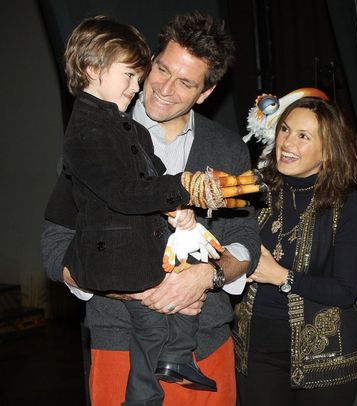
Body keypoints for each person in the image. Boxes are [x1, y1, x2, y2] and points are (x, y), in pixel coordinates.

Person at [41, 12, 260, 406]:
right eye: (161, 69)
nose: (163, 88)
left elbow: (246, 242)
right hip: (120, 345)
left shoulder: (227, 148)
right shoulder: (94, 139)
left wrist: (206, 277)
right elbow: (56, 248)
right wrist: (137, 289)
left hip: (206, 345)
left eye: (186, 83)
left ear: (205, 93)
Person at [233, 95, 357, 406]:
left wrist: (282, 276)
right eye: (284, 129)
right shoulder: (256, 192)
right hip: (255, 351)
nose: (286, 142)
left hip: (325, 356)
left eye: (303, 136)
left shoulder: (346, 205)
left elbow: (346, 291)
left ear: (328, 151)